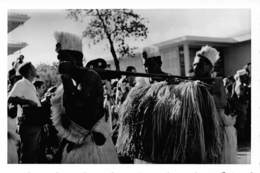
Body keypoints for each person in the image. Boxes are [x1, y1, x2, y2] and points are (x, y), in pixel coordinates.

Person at [51, 31, 119, 163]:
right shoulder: (70, 83)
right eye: (59, 58)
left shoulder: (91, 77)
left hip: (93, 150)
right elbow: (66, 121)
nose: (60, 62)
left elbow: (82, 114)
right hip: (74, 149)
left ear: (76, 59)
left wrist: (66, 79)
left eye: (63, 58)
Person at [192, 45, 237, 164]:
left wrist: (204, 94)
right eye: (194, 64)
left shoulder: (217, 82)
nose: (196, 68)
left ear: (210, 67)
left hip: (215, 131)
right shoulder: (192, 83)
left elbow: (222, 102)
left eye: (200, 65)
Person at [8, 62, 45, 163]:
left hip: (35, 123)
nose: (35, 68)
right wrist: (27, 101)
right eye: (33, 67)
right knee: (28, 156)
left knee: (33, 155)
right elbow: (10, 99)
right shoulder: (21, 83)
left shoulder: (30, 85)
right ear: (29, 71)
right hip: (29, 124)